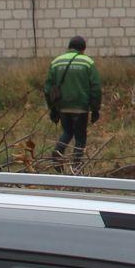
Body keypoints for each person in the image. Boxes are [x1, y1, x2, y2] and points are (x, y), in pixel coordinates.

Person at [44, 36, 102, 171]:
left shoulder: (56, 62)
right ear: (83, 49)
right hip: (81, 107)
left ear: (69, 47)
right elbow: (96, 87)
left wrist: (53, 109)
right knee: (80, 137)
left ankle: (57, 152)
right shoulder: (88, 62)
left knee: (67, 132)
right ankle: (76, 166)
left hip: (63, 107)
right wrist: (95, 109)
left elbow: (48, 89)